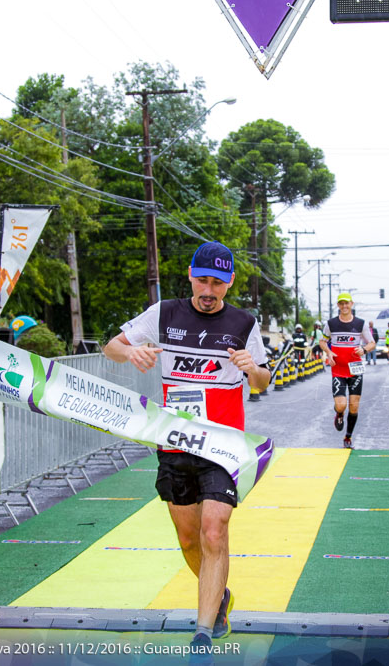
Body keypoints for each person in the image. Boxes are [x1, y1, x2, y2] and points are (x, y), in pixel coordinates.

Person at [103, 241, 271, 652]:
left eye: (217, 283)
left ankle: (202, 630)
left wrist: (253, 370)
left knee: (215, 531)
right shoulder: (164, 313)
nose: (208, 290)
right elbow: (112, 346)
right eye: (202, 280)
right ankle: (220, 596)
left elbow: (262, 381)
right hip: (176, 442)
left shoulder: (244, 324)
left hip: (224, 445)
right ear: (191, 277)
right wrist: (132, 351)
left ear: (229, 284)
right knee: (190, 539)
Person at [319, 293, 375, 449]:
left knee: (354, 406)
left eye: (347, 303)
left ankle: (348, 437)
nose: (344, 306)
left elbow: (372, 343)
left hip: (355, 369)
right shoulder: (331, 324)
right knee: (342, 405)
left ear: (352, 304)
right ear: (338, 305)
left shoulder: (360, 324)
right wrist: (329, 352)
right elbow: (322, 341)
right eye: (341, 303)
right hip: (338, 369)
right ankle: (339, 413)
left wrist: (363, 350)